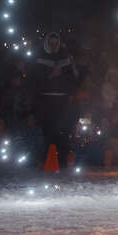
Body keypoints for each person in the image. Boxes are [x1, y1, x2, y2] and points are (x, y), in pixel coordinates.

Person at [34, 32, 78, 167]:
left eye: (55, 43)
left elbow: (73, 79)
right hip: (47, 100)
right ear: (47, 44)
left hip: (62, 100)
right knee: (48, 131)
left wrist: (66, 71)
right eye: (51, 43)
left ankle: (62, 161)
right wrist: (50, 75)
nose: (53, 46)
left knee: (62, 131)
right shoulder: (40, 58)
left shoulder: (64, 58)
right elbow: (34, 79)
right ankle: (45, 160)